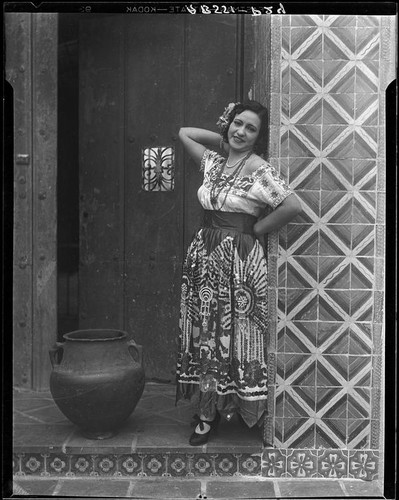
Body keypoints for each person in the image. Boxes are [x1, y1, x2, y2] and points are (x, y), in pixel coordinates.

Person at [176, 100, 302, 446]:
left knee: (236, 331)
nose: (241, 132)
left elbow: (292, 205)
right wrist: (224, 140)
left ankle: (236, 408)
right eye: (237, 123)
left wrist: (256, 228)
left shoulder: (259, 168)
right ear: (227, 123)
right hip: (205, 254)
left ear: (258, 138)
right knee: (207, 330)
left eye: (250, 129)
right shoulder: (214, 162)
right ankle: (207, 411)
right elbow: (184, 133)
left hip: (239, 259)